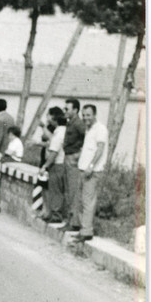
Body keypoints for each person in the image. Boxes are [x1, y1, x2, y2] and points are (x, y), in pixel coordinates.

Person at [74, 104, 108, 242]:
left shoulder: (101, 129)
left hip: (92, 171)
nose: (85, 117)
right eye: (84, 115)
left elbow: (100, 149)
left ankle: (87, 231)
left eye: (88, 115)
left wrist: (91, 166)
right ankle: (83, 229)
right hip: (83, 169)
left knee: (88, 201)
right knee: (82, 200)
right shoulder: (89, 129)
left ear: (94, 115)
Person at [61, 98, 86, 232]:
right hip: (68, 157)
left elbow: (87, 136)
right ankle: (70, 220)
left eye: (67, 109)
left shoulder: (78, 124)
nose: (65, 111)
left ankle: (74, 223)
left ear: (75, 110)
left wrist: (79, 153)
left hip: (73, 158)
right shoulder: (71, 123)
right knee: (69, 191)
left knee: (73, 191)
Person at [40, 107, 67, 226]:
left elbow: (54, 152)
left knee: (55, 190)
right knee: (57, 191)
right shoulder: (61, 132)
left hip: (57, 165)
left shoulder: (59, 133)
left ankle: (56, 215)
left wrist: (45, 166)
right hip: (61, 164)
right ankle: (54, 213)